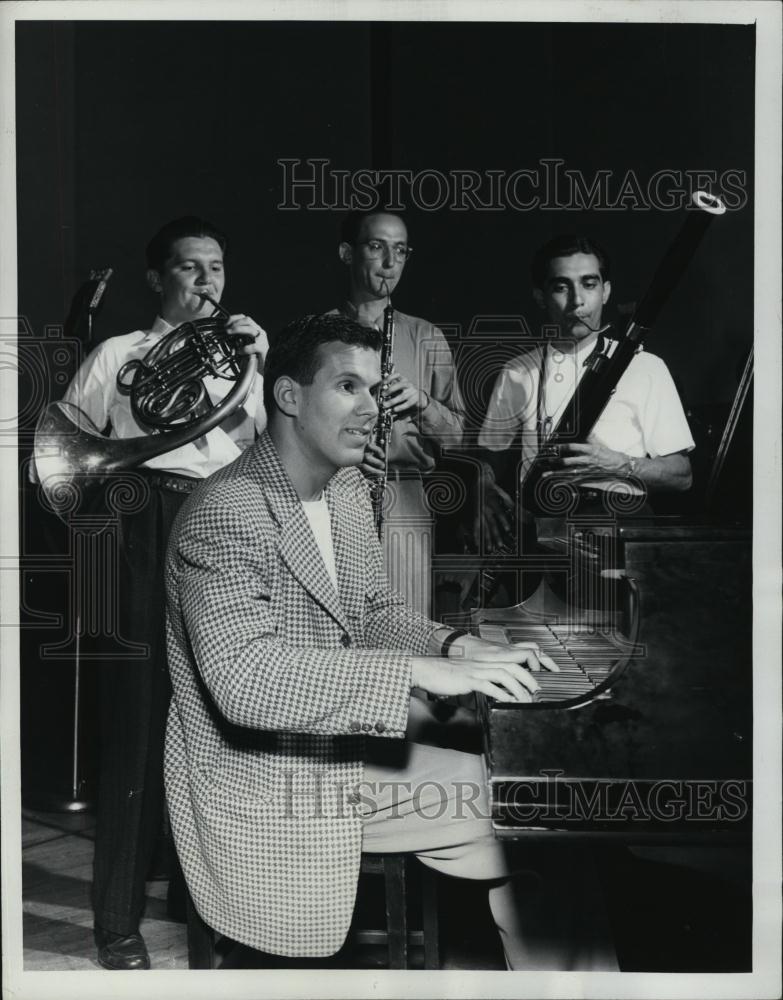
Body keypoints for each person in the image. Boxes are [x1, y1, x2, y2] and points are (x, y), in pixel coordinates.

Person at [164, 312, 618, 971]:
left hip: (334, 736)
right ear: (288, 397)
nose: (371, 408)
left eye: (376, 390)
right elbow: (244, 682)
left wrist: (455, 649)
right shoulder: (225, 510)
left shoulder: (343, 488)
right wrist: (415, 673)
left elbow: (373, 609)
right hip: (266, 772)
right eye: (347, 386)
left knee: (538, 792)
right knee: (532, 804)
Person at [59, 216, 268, 970]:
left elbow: (267, 457)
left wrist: (260, 366)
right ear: (158, 280)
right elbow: (61, 452)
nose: (207, 280)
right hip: (142, 518)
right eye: (189, 268)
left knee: (218, 718)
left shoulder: (244, 356)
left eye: (215, 266)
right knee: (137, 726)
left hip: (219, 520)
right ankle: (117, 923)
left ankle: (210, 913)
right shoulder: (119, 355)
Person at [476, 234, 694, 561]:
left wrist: (620, 463)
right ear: (540, 296)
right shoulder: (517, 371)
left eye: (589, 284)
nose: (577, 301)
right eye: (561, 287)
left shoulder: (645, 367)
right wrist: (483, 491)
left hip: (619, 528)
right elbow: (489, 455)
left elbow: (682, 476)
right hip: (539, 529)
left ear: (605, 291)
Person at [334, 210, 465, 617]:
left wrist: (422, 403)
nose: (391, 263)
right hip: (333, 496)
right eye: (376, 247)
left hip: (405, 500)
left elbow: (458, 436)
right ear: (346, 253)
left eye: (401, 251)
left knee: (405, 630)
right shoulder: (317, 334)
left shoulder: (426, 336)